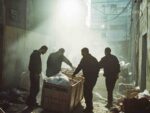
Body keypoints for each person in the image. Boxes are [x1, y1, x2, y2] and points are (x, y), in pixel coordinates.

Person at [72, 48, 99, 113]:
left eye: (82, 52)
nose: (81, 54)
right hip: (94, 78)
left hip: (89, 78)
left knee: (86, 93)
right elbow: (98, 68)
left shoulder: (85, 58)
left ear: (84, 52)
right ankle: (90, 106)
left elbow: (79, 67)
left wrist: (74, 74)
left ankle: (88, 108)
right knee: (89, 92)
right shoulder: (94, 58)